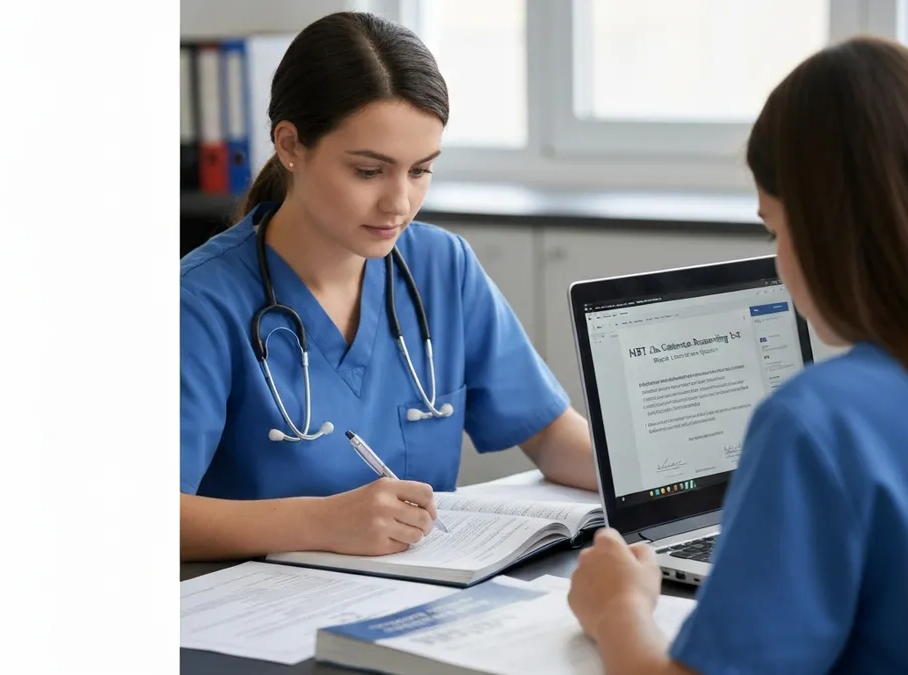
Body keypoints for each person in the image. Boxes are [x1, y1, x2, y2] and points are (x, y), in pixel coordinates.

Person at [180, 12, 596, 562]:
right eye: (369, 171)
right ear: (290, 146)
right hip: (255, 619)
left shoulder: (440, 266)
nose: (398, 203)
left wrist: (685, 482)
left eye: (420, 170)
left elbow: (551, 435)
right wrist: (321, 522)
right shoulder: (199, 304)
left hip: (419, 600)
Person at [567, 36, 908, 674]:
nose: (779, 258)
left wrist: (617, 609)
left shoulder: (818, 423)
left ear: (825, 228)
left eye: (776, 228)